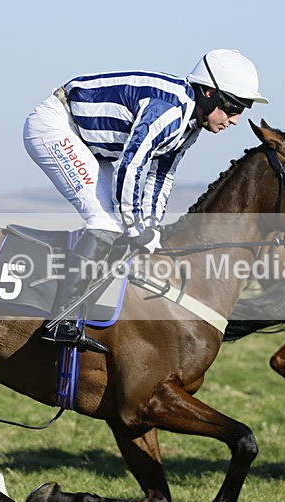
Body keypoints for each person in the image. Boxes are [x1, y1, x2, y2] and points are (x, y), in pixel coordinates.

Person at [23, 49, 268, 352]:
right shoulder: (168, 111)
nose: (235, 119)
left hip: (89, 143)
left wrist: (150, 227)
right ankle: (61, 319)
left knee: (124, 225)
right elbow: (132, 166)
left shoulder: (189, 126)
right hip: (57, 126)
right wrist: (135, 224)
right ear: (208, 93)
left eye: (242, 109)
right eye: (232, 107)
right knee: (106, 221)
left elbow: (160, 177)